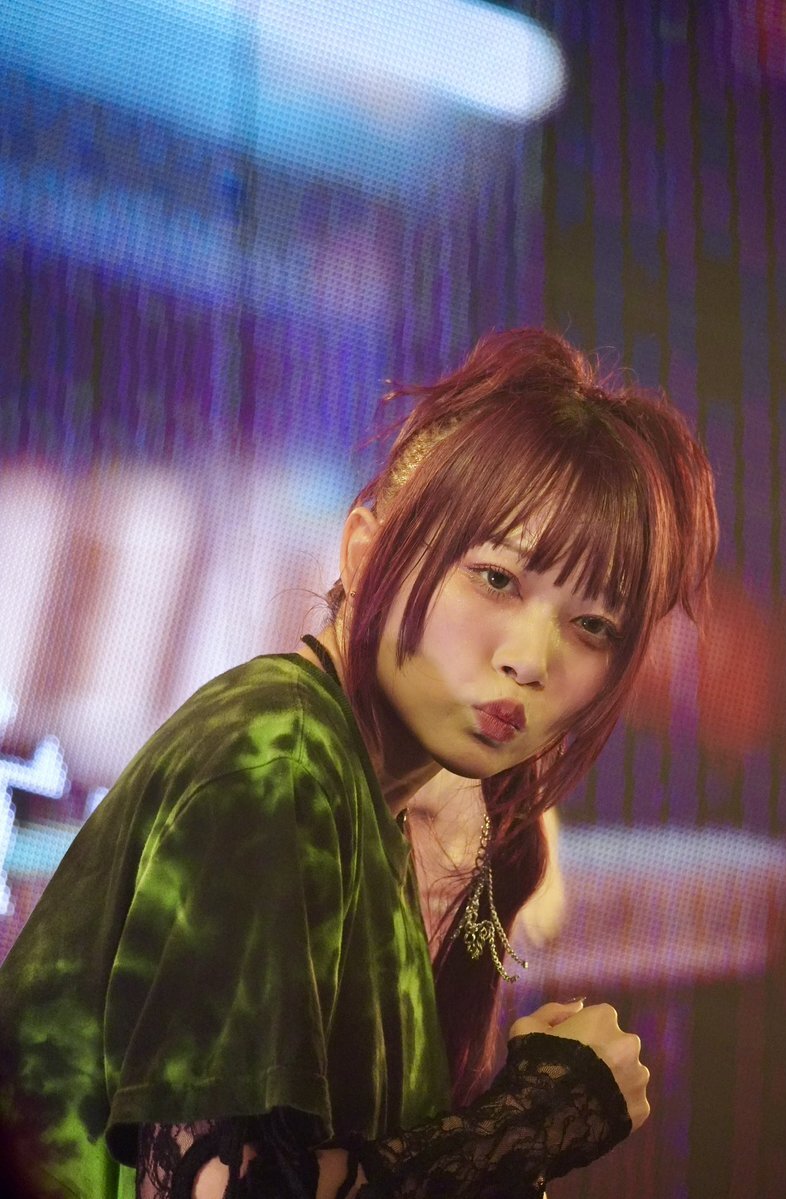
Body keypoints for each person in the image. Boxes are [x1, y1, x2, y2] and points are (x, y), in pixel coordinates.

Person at [0, 328, 718, 1199]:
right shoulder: (277, 760)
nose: (531, 659)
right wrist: (532, 1121)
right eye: (496, 578)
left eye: (592, 625)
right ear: (365, 551)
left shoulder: (394, 805)